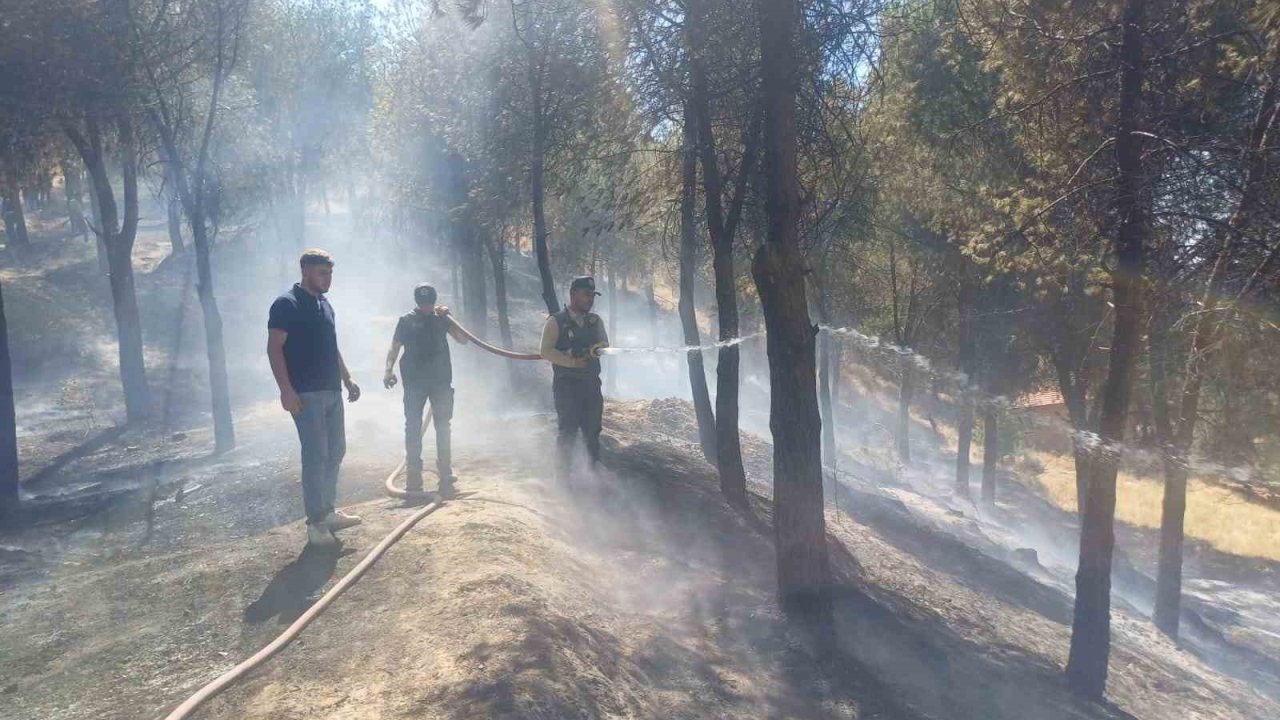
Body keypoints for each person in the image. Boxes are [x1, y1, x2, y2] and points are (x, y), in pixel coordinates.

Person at [267, 249, 363, 547]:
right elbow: (274, 349)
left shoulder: (325, 304)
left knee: (336, 450)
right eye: (322, 273)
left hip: (331, 388)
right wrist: (286, 390)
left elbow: (331, 347)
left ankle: (328, 510)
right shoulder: (287, 304)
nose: (328, 278)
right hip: (305, 392)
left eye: (330, 273)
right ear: (306, 271)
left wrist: (347, 378)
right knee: (316, 455)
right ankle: (316, 523)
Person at [383, 283, 468, 498]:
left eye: (429, 302)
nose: (427, 306)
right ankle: (414, 476)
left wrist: (450, 317)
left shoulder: (442, 320)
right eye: (423, 303)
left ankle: (445, 474)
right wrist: (388, 371)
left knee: (443, 426)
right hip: (414, 382)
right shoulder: (406, 321)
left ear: (434, 300)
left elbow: (463, 339)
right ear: (417, 302)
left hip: (440, 381)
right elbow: (394, 347)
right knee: (412, 426)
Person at [540, 276, 610, 471]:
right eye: (586, 294)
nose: (590, 299)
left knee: (592, 433)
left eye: (592, 295)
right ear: (573, 294)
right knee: (568, 433)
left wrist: (597, 348)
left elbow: (605, 345)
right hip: (567, 387)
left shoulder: (595, 322)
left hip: (591, 387)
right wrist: (571, 361)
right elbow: (545, 351)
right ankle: (563, 480)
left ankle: (595, 473)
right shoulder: (556, 321)